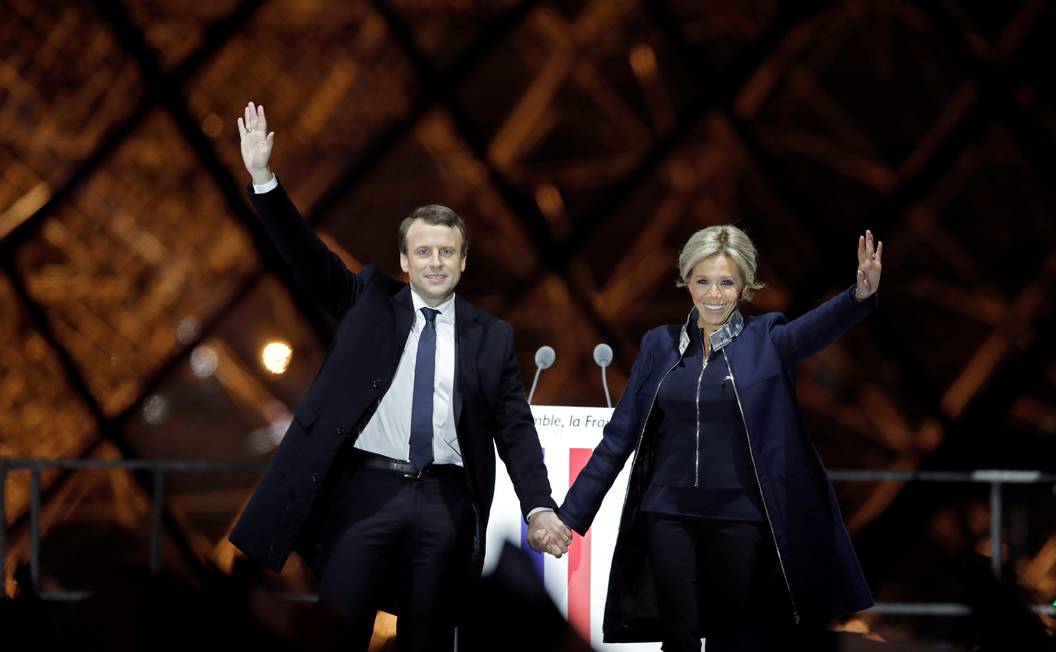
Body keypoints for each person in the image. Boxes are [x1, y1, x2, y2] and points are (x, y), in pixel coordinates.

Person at [228, 102, 571, 651]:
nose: (435, 262)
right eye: (423, 252)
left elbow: (515, 430)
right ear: (405, 262)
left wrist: (538, 505)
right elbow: (308, 260)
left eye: (447, 252)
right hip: (365, 493)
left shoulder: (491, 337)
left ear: (464, 262)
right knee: (336, 633)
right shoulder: (369, 298)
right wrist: (264, 180)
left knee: (428, 640)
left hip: (446, 503)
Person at [558, 224, 883, 650]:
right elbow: (619, 437)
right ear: (686, 281)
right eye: (703, 281)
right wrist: (568, 518)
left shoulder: (767, 339)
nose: (714, 294)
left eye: (726, 282)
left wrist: (857, 296)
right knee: (679, 637)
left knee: (734, 638)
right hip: (667, 513)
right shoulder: (659, 345)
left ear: (745, 286)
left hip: (739, 518)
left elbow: (813, 330)